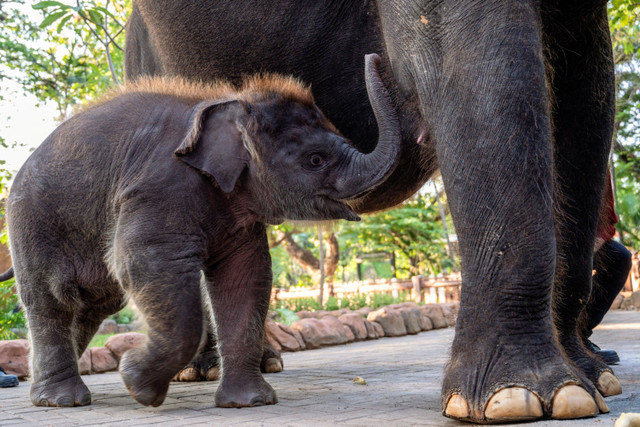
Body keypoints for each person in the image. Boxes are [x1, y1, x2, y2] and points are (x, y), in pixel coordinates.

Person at [580, 170, 632, 365]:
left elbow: (607, 220)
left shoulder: (593, 156)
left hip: (581, 244)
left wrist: (585, 253)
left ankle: (578, 333)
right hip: (534, 241)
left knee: (620, 257)